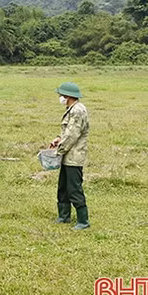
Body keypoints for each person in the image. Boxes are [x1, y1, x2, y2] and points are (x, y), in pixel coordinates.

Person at [49, 82, 90, 230]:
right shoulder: (71, 109)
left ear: (68, 96)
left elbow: (73, 135)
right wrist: (58, 139)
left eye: (61, 95)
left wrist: (58, 151)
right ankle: (64, 217)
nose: (60, 97)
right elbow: (67, 132)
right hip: (67, 156)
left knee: (74, 189)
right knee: (63, 188)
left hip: (74, 157)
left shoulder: (78, 111)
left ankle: (83, 221)